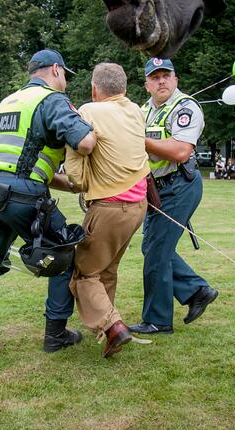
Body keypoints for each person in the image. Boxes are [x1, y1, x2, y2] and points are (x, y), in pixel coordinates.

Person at [0, 49, 96, 353]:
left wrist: (69, 185)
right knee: (63, 255)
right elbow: (86, 143)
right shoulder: (51, 100)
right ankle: (56, 334)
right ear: (54, 70)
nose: (65, 82)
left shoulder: (8, 102)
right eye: (64, 75)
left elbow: (20, 158)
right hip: (22, 195)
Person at [64, 63, 150, 357]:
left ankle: (114, 327)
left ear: (94, 89)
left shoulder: (89, 110)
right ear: (124, 89)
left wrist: (78, 182)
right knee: (108, 268)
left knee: (84, 273)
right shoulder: (137, 111)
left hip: (109, 207)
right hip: (139, 206)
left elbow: (77, 166)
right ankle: (107, 328)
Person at [129, 57, 218, 335]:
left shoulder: (186, 107)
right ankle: (196, 291)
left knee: (156, 251)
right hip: (155, 188)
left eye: (166, 75)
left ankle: (157, 320)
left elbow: (181, 151)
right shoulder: (142, 111)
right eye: (155, 77)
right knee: (153, 248)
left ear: (176, 79)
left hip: (180, 184)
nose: (162, 81)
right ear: (147, 85)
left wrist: (137, 140)